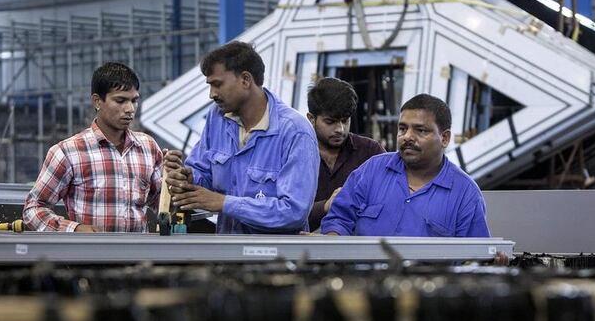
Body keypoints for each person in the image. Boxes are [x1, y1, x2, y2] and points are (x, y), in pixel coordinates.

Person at [164, 41, 319, 234]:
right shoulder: (217, 118)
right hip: (227, 254)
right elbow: (203, 173)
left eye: (217, 84)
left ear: (245, 79)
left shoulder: (295, 132)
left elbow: (293, 212)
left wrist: (224, 203)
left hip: (276, 260)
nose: (212, 94)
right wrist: (188, 177)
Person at [321, 94, 489, 237]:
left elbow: (474, 256)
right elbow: (338, 219)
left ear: (444, 138)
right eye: (402, 129)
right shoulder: (371, 171)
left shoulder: (465, 194)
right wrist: (333, 240)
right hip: (363, 275)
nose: (407, 137)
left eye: (420, 130)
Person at [23, 62, 163, 232]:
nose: (129, 109)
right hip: (89, 256)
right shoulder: (68, 152)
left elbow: (161, 203)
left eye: (134, 101)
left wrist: (177, 185)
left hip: (139, 256)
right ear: (97, 101)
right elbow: (33, 209)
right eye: (120, 100)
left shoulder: (148, 147)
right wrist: (75, 229)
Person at [306, 77, 384, 231]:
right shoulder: (294, 153)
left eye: (345, 120)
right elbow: (281, 211)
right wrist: (325, 206)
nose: (340, 129)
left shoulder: (370, 153)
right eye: (330, 122)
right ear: (311, 119)